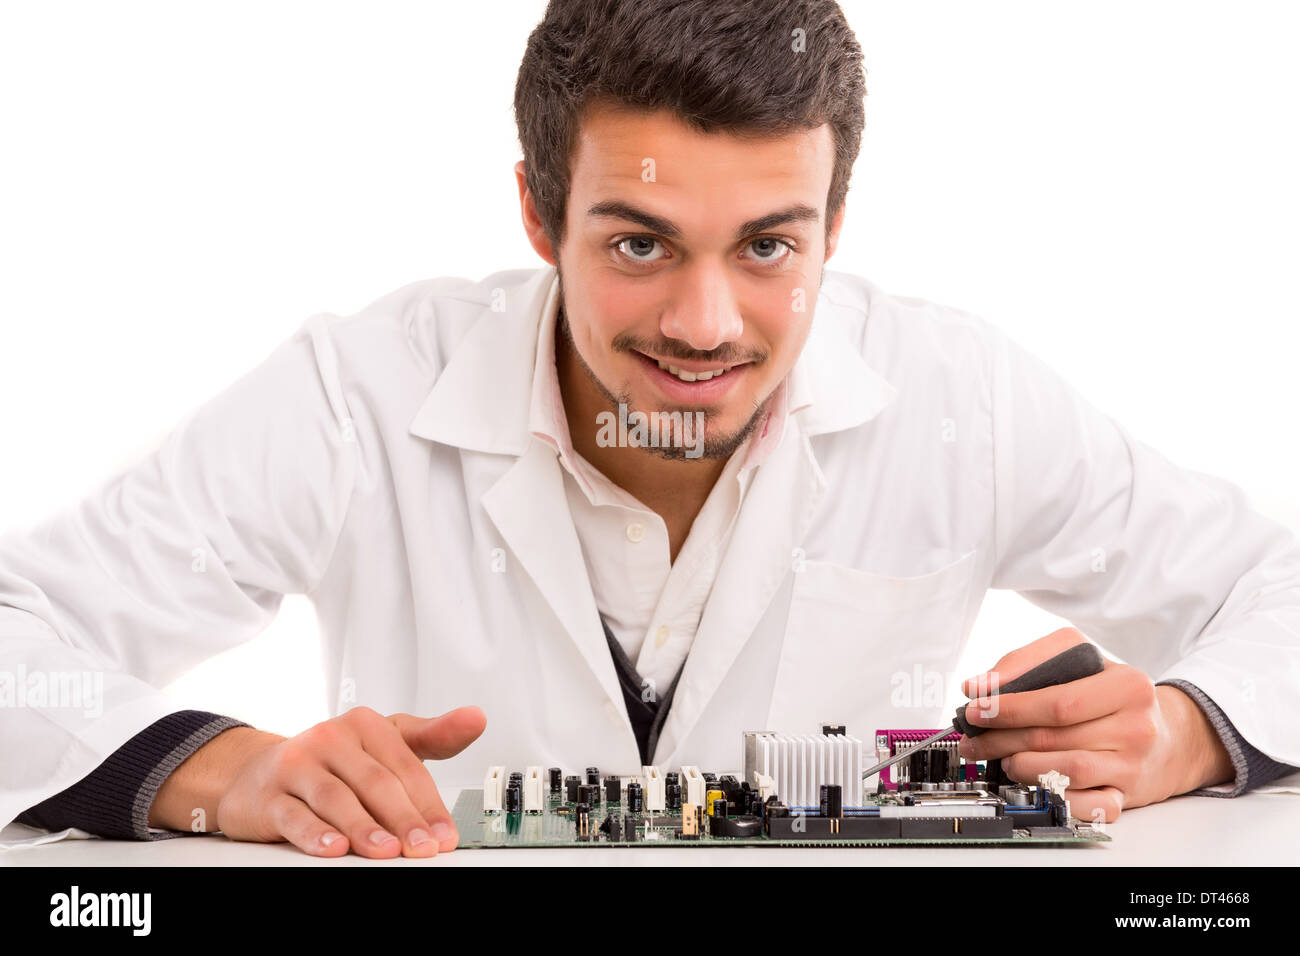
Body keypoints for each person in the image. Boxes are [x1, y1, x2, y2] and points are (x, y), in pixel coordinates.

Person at [3, 0, 1296, 859]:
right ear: (536, 215)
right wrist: (213, 768)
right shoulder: (357, 396)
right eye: (638, 243)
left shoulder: (963, 400)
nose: (705, 323)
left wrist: (1183, 732)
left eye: (770, 246)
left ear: (834, 227)